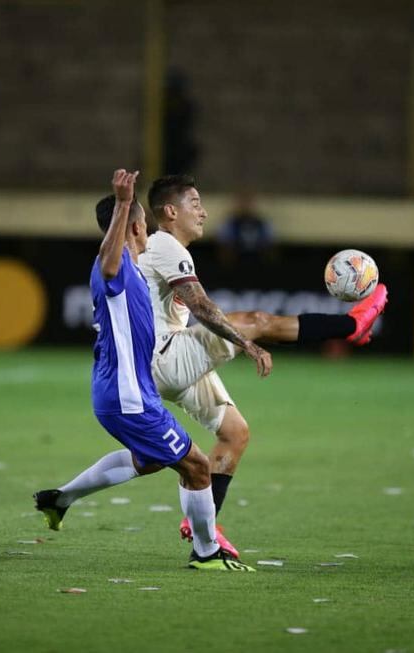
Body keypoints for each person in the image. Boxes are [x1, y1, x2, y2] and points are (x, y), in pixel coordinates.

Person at [139, 174, 388, 549]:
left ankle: (202, 524)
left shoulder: (163, 247)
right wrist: (246, 343)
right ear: (171, 211)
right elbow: (201, 306)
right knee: (256, 323)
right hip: (164, 358)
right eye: (195, 204)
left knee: (234, 434)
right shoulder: (165, 246)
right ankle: (351, 325)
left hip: (168, 361)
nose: (204, 213)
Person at [33, 169, 254, 572]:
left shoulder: (137, 272)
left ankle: (59, 499)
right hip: (128, 395)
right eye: (143, 224)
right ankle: (207, 553)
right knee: (197, 466)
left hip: (131, 391)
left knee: (149, 460)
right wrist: (122, 204)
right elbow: (110, 263)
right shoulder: (113, 272)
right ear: (138, 225)